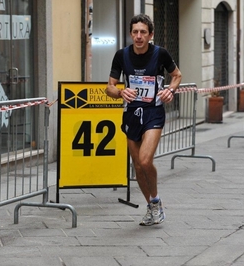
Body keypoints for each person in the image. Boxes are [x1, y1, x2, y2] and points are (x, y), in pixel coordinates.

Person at [105, 14, 182, 226]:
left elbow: (177, 75)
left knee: (146, 159)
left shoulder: (160, 54)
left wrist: (170, 90)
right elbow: (109, 87)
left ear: (151, 35)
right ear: (131, 34)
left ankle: (155, 201)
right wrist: (121, 93)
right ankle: (152, 207)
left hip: (153, 112)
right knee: (138, 166)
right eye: (135, 32)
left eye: (143, 32)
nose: (139, 36)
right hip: (132, 113)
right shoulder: (122, 56)